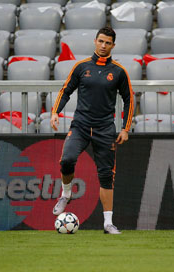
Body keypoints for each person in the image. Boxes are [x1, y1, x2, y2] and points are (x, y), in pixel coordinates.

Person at [51, 26, 134, 234]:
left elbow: (129, 99)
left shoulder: (119, 71)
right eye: (101, 41)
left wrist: (125, 128)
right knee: (67, 159)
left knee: (106, 175)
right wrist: (55, 112)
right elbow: (66, 90)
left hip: (105, 129)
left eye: (108, 43)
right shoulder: (81, 67)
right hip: (80, 125)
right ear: (95, 41)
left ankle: (108, 223)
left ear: (113, 45)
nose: (103, 45)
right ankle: (66, 194)